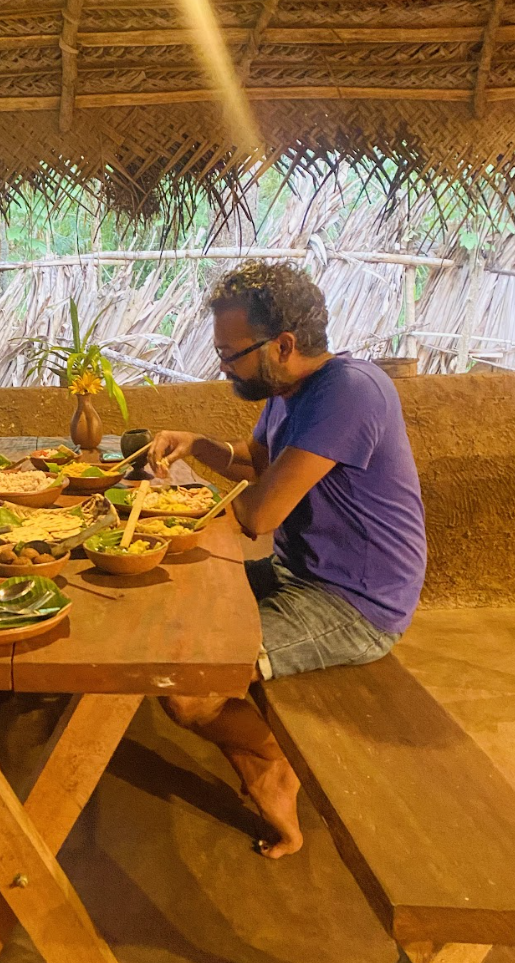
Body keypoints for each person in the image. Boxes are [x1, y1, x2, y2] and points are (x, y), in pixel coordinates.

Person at [149, 260, 427, 858]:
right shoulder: (286, 390)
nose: (223, 366)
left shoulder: (350, 392)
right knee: (166, 613)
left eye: (231, 353)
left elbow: (257, 514)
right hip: (297, 573)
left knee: (185, 684)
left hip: (355, 602)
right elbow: (255, 462)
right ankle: (263, 755)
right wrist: (196, 446)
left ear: (283, 344)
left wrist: (164, 510)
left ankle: (273, 763)